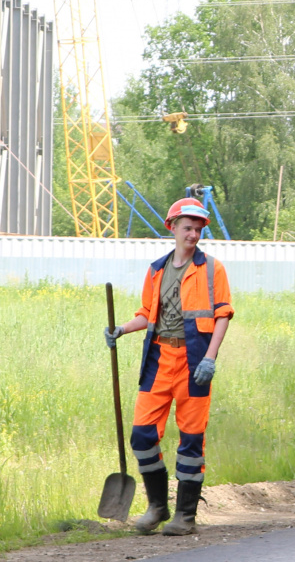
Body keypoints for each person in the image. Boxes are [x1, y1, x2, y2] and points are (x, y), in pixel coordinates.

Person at [103, 198, 234, 536]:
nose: (193, 234)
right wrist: (122, 329)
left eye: (198, 229)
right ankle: (157, 506)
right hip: (160, 359)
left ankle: (185, 516)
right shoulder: (156, 269)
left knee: (191, 440)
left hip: (194, 362)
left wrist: (210, 358)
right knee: (142, 436)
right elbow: (148, 314)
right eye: (187, 227)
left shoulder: (212, 269)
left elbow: (222, 315)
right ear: (172, 227)